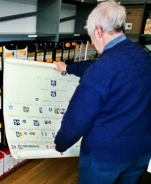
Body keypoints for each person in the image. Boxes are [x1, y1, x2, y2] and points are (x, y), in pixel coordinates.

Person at [52, 0, 151, 183]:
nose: (92, 42)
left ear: (98, 31)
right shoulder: (143, 55)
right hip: (141, 150)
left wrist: (61, 143)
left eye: (91, 36)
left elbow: (78, 116)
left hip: (105, 155)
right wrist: (69, 68)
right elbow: (104, 68)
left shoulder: (102, 69)